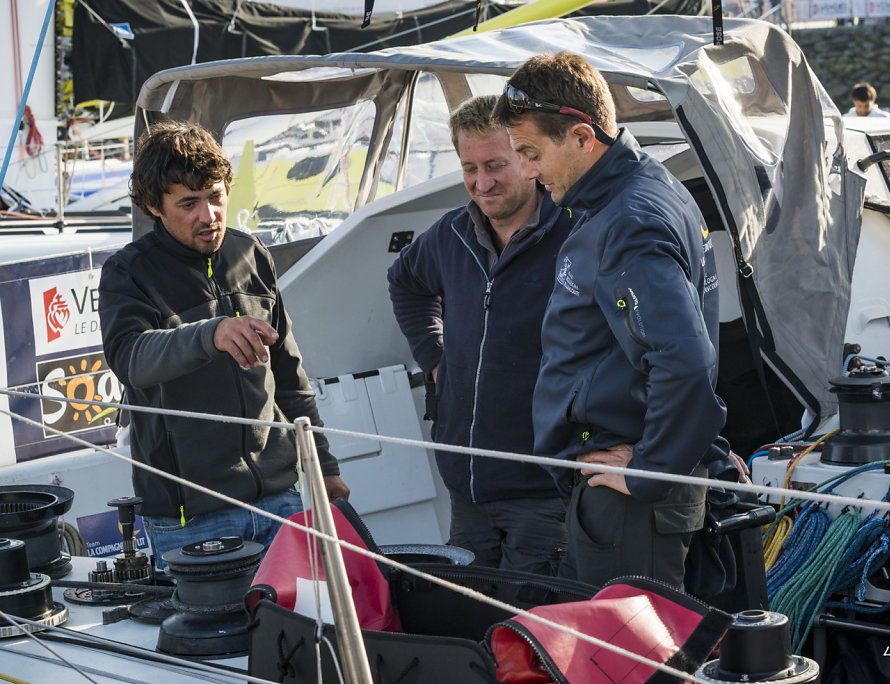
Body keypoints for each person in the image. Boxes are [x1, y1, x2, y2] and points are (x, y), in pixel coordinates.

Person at [493, 52, 736, 589]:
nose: (527, 172)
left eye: (532, 153)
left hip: (629, 500)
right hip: (631, 489)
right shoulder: (644, 193)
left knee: (629, 666)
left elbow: (685, 359)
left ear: (582, 137)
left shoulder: (628, 221)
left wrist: (652, 466)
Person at [99, 121, 348, 565]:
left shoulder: (252, 254)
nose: (208, 215)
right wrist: (210, 334)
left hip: (280, 501)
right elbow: (130, 358)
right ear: (155, 207)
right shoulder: (128, 272)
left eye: (215, 196)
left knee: (303, 633)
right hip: (190, 520)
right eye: (189, 204)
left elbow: (289, 377)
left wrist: (323, 465)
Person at [387, 95, 573, 575]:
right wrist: (435, 358)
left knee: (528, 633)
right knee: (471, 621)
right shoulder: (449, 235)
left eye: (495, 165)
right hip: (465, 488)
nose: (481, 183)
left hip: (545, 494)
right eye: (468, 167)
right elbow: (405, 283)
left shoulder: (576, 235)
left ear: (529, 161)